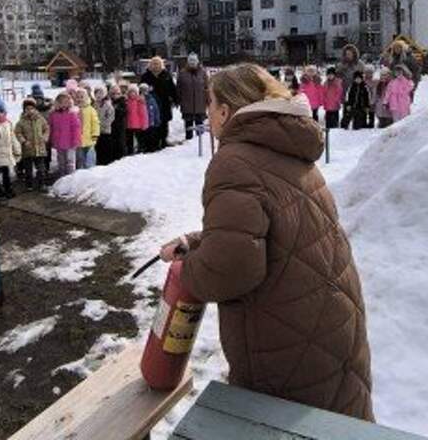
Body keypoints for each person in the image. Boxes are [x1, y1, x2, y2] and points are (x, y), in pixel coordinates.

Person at [160, 63, 373, 421]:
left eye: (211, 103)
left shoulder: (235, 160)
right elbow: (278, 231)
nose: (207, 112)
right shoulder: (285, 144)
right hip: (326, 324)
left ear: (226, 111)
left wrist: (189, 270)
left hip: (285, 342)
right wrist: (195, 242)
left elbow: (230, 270)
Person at [140, 56, 178, 148]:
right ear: (151, 65)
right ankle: (154, 142)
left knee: (164, 122)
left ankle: (163, 140)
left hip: (164, 102)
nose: (156, 65)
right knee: (154, 122)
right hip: (151, 103)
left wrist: (176, 99)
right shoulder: (146, 76)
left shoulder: (166, 75)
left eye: (157, 63)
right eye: (154, 63)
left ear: (161, 64)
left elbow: (172, 88)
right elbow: (141, 88)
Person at [15, 97, 50, 190]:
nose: (30, 111)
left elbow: (46, 128)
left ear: (35, 109)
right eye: (27, 109)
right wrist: (23, 141)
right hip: (28, 149)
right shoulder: (21, 121)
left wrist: (45, 137)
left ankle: (42, 183)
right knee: (28, 170)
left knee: (41, 169)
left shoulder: (40, 119)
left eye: (32, 108)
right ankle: (29, 184)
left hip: (39, 148)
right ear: (24, 110)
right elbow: (17, 132)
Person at [177, 53, 208, 141]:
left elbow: (207, 87)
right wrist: (179, 100)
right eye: (190, 61)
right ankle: (188, 142)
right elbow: (178, 89)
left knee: (199, 126)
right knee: (188, 126)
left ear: (197, 61)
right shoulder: (182, 73)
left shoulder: (203, 72)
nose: (192, 63)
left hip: (200, 104)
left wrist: (208, 100)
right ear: (188, 62)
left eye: (194, 60)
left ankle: (199, 144)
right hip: (187, 105)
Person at [48, 92, 81, 175]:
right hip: (58, 142)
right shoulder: (53, 114)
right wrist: (52, 139)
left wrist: (76, 140)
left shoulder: (72, 114)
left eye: (66, 102)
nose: (64, 104)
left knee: (70, 161)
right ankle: (62, 177)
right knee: (61, 161)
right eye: (61, 102)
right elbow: (51, 127)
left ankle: (71, 177)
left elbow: (76, 128)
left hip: (70, 142)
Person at [337, 45, 366, 127]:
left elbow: (364, 76)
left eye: (350, 53)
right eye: (346, 54)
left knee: (357, 109)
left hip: (357, 90)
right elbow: (337, 76)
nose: (348, 55)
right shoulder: (341, 64)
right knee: (346, 110)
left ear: (354, 54)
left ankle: (357, 126)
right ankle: (344, 127)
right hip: (346, 90)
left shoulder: (360, 64)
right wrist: (342, 70)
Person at [76, 88, 99, 168]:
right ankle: (80, 171)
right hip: (78, 140)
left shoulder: (91, 110)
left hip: (89, 138)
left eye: (82, 97)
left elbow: (95, 123)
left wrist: (95, 134)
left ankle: (90, 170)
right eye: (78, 97)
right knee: (80, 158)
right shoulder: (75, 110)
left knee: (90, 158)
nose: (80, 99)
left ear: (86, 98)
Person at [94, 86, 115, 165]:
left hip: (105, 130)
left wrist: (101, 124)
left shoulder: (108, 105)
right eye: (97, 93)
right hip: (96, 131)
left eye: (101, 93)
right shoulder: (94, 104)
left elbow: (111, 118)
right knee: (98, 148)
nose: (99, 95)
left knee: (105, 148)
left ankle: (106, 163)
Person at [126, 84, 149, 155]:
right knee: (129, 140)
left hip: (138, 125)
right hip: (129, 125)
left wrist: (144, 124)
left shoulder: (139, 101)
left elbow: (143, 114)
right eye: (130, 92)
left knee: (139, 139)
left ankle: (140, 149)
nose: (132, 93)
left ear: (137, 93)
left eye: (134, 92)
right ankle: (130, 151)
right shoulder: (127, 101)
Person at [139, 83, 161, 152]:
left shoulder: (151, 99)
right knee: (144, 136)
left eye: (145, 90)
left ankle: (153, 147)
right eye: (142, 90)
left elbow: (156, 110)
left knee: (152, 135)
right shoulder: (139, 99)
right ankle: (145, 147)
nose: (144, 92)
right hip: (143, 122)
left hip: (151, 122)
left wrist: (157, 120)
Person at [109, 84, 127, 161]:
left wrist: (115, 109)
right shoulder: (109, 101)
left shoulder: (122, 101)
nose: (115, 95)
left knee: (120, 143)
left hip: (120, 126)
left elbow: (123, 112)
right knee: (112, 143)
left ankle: (121, 158)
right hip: (111, 126)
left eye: (118, 93)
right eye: (113, 93)